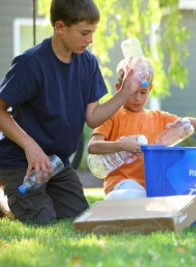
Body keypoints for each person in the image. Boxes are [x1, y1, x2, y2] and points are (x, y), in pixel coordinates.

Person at [0, 0, 140, 224]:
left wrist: (124, 94)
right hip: (21, 161)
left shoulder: (89, 64)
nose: (90, 39)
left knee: (80, 217)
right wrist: (30, 146)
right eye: (84, 32)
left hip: (57, 163)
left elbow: (93, 117)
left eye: (93, 32)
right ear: (60, 27)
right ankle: (6, 200)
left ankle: (22, 198)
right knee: (42, 219)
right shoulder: (30, 63)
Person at [88, 58, 196, 200]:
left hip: (152, 185)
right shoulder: (112, 116)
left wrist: (184, 123)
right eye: (132, 92)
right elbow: (93, 147)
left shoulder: (159, 117)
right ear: (120, 89)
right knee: (124, 196)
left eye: (143, 92)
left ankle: (148, 201)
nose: (137, 98)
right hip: (122, 184)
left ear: (150, 88)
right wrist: (121, 145)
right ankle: (144, 202)